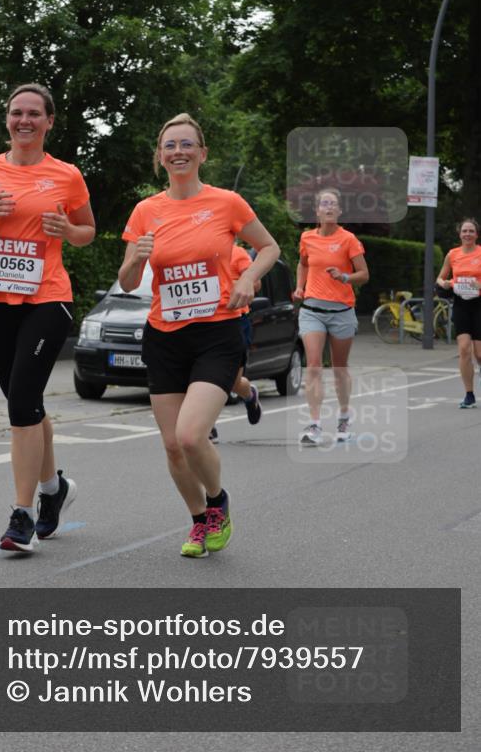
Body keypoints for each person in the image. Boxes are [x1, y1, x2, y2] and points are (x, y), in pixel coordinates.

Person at [119, 113, 280, 558]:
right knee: (172, 446)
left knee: (191, 436)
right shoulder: (146, 211)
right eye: (169, 145)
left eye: (187, 144)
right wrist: (136, 260)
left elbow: (269, 247)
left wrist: (248, 280)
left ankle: (217, 502)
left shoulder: (227, 203)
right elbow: (130, 281)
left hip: (217, 333)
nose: (178, 152)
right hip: (164, 336)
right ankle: (197, 522)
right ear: (160, 157)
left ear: (202, 153)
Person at [0, 84, 95, 551]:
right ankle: (56, 491)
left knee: (20, 406)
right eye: (17, 113)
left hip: (47, 300)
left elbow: (87, 232)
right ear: (8, 120)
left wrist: (67, 229)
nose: (25, 121)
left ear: (49, 121)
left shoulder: (67, 175)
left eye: (35, 113)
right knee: (27, 403)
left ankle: (21, 515)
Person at [294, 188, 369, 446]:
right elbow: (303, 263)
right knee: (313, 365)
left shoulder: (348, 240)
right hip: (312, 310)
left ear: (339, 211)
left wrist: (345, 277)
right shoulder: (307, 237)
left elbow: (364, 274)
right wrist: (299, 286)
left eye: (333, 204)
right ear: (317, 211)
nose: (328, 207)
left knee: (339, 368)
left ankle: (344, 416)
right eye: (324, 204)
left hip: (341, 311)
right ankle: (314, 424)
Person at [209, 245, 262, 444]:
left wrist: (227, 283)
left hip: (235, 320)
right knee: (199, 374)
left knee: (230, 381)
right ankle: (208, 425)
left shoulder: (238, 253)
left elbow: (256, 284)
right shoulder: (197, 251)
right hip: (202, 321)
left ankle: (249, 395)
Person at [436, 217, 481, 408]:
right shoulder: (452, 254)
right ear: (460, 234)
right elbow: (440, 277)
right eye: (465, 231)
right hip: (461, 304)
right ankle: (469, 395)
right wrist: (444, 283)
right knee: (464, 349)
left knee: (479, 354)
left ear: (476, 235)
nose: (468, 234)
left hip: (480, 304)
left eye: (471, 231)